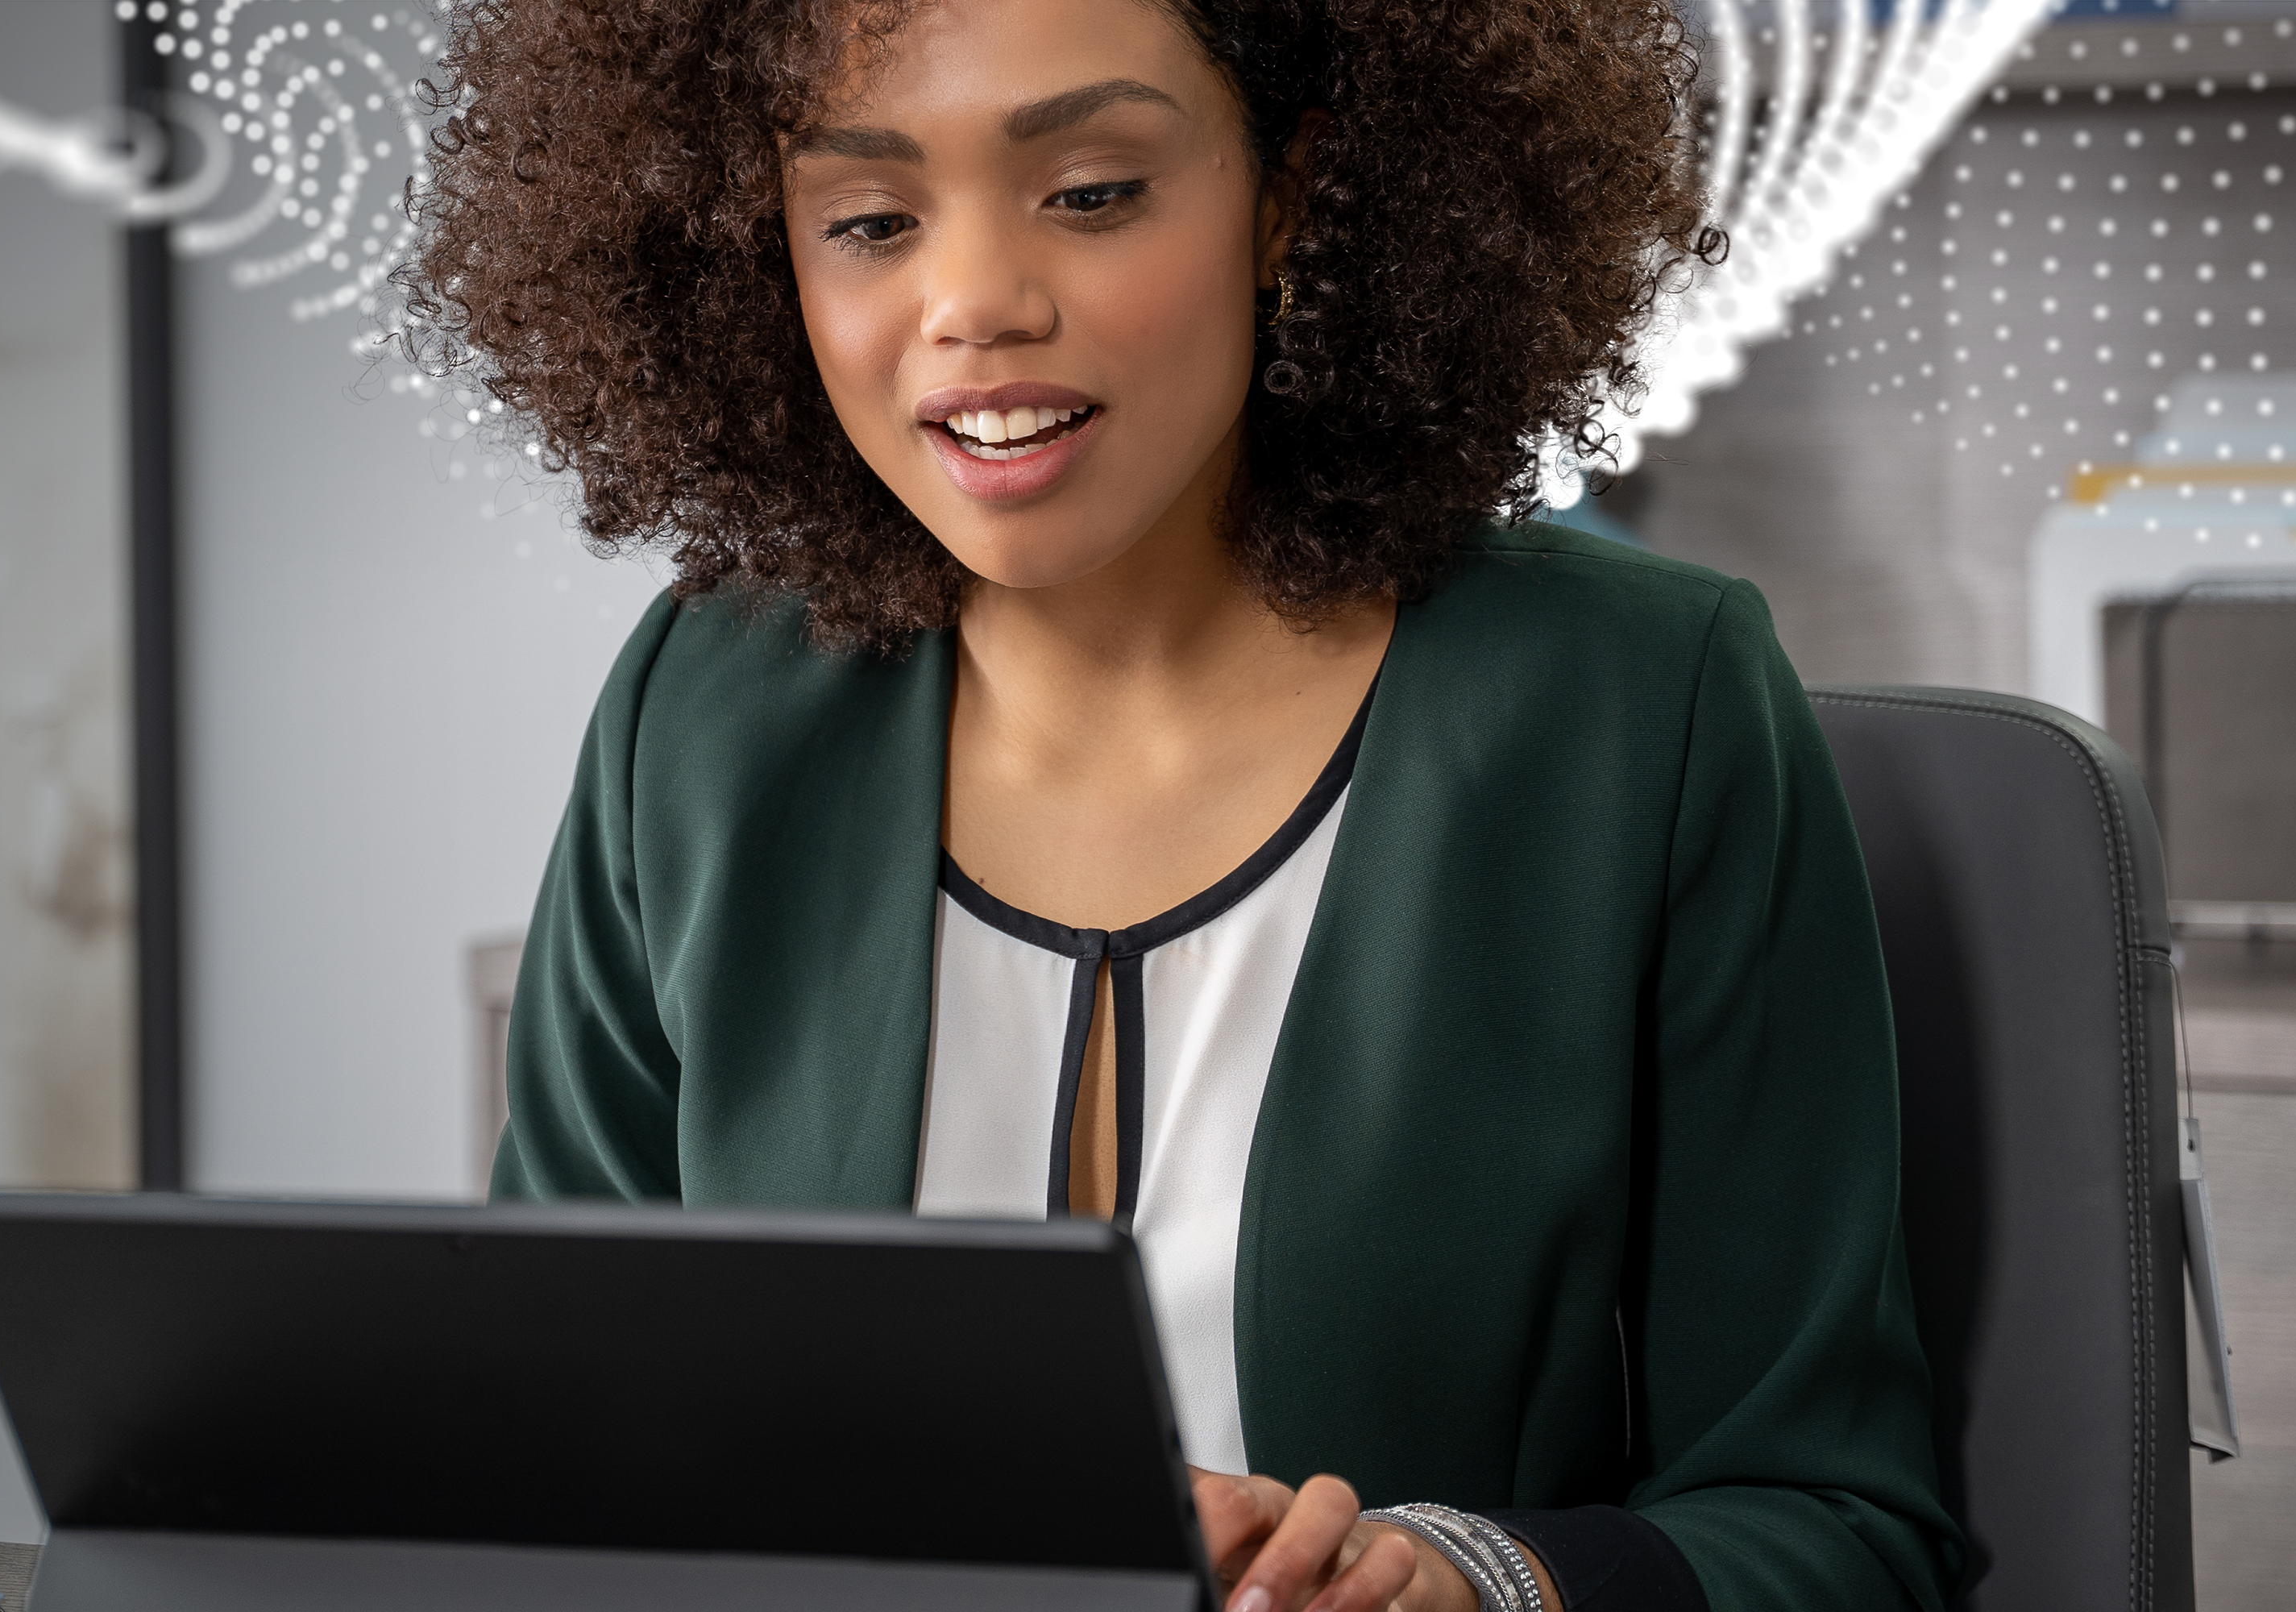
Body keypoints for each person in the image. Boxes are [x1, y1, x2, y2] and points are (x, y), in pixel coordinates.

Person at [402, 2, 1958, 1608]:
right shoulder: (704, 712)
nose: (974, 304)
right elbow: (549, 1452)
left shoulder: (1638, 706)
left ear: (1291, 197)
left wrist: (1474, 1580)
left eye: (1091, 193)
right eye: (868, 221)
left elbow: (1834, 1520)